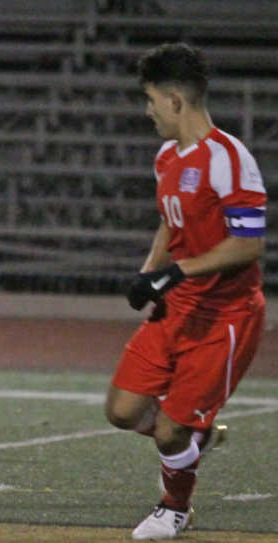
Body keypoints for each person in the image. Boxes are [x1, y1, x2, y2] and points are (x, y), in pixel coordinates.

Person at [104, 43, 267, 540]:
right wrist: (149, 271)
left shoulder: (229, 158)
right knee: (123, 411)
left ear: (175, 100)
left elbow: (249, 244)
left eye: (151, 100)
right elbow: (168, 221)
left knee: (172, 430)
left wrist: (175, 273)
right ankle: (197, 438)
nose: (148, 110)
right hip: (177, 309)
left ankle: (175, 507)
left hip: (225, 316)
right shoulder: (165, 158)